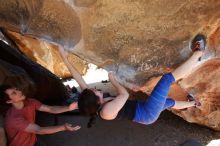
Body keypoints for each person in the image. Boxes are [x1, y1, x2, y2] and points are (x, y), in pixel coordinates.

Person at [58, 34, 205, 128]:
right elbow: (124, 95)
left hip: (143, 107)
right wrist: (113, 80)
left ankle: (193, 103)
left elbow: (79, 78)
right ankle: (199, 53)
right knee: (166, 80)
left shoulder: (92, 100)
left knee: (169, 102)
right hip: (147, 113)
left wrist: (65, 58)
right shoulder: (106, 112)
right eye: (95, 91)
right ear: (96, 101)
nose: (96, 89)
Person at [0, 85, 81, 146]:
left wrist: (69, 108)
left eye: (16, 89)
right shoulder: (13, 118)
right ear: (9, 101)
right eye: (14, 93)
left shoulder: (30, 102)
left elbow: (50, 109)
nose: (19, 91)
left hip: (32, 140)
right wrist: (63, 127)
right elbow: (39, 130)